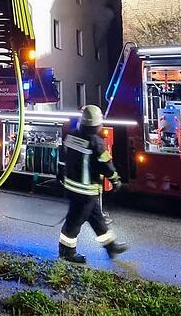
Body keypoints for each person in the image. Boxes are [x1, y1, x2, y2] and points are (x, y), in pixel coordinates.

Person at [57, 105, 128, 264]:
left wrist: (60, 174)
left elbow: (62, 158)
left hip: (73, 188)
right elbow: (106, 165)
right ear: (97, 125)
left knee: (97, 219)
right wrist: (115, 180)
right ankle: (67, 252)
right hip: (86, 192)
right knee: (73, 223)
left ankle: (111, 246)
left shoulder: (70, 136)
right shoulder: (96, 143)